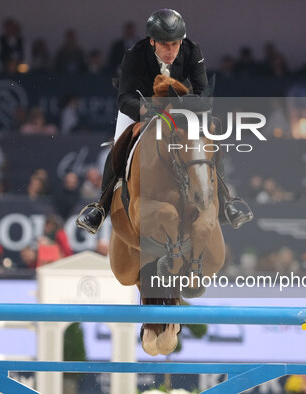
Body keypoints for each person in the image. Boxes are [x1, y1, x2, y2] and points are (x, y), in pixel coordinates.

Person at [76, 8, 252, 234]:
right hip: (139, 106)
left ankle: (226, 203)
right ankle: (100, 207)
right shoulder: (134, 55)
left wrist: (176, 107)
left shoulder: (192, 51)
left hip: (179, 106)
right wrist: (150, 110)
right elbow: (124, 99)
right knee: (119, 146)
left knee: (209, 141)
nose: (170, 50)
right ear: (152, 42)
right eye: (164, 45)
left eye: (175, 44)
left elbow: (204, 96)